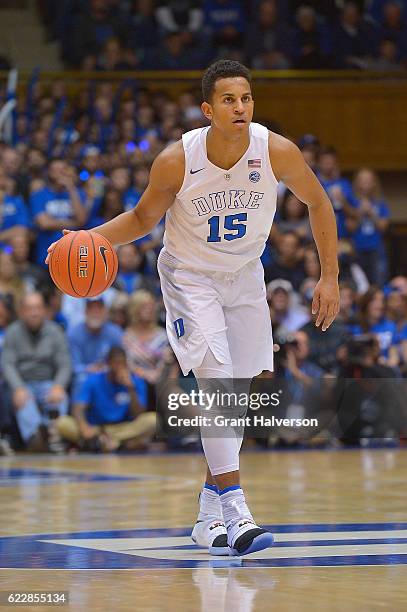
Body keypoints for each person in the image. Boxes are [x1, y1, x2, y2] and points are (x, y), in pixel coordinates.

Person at [46, 60, 339, 557]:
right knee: (217, 381)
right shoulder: (177, 159)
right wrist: (90, 238)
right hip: (190, 277)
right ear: (208, 109)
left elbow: (319, 202)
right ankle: (235, 508)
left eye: (245, 99)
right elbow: (142, 217)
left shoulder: (276, 151)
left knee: (237, 399)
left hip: (245, 277)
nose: (240, 108)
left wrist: (329, 275)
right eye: (228, 100)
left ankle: (207, 516)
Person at [1, 292, 71, 451]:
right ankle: (35, 437)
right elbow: (8, 365)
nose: (34, 312)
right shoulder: (12, 332)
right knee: (23, 400)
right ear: (22, 311)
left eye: (38, 308)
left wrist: (59, 385)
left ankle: (53, 435)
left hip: (48, 383)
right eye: (30, 308)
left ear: (44, 310)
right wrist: (18, 387)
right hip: (23, 383)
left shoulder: (55, 331)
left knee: (60, 397)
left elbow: (65, 364)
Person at [57, 346, 155, 452]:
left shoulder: (136, 381)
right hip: (97, 428)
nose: (119, 368)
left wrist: (131, 389)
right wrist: (84, 428)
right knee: (63, 423)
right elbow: (78, 409)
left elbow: (138, 414)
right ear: (107, 364)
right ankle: (119, 444)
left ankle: (104, 443)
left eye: (122, 364)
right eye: (115, 363)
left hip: (123, 427)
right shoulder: (93, 380)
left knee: (154, 420)